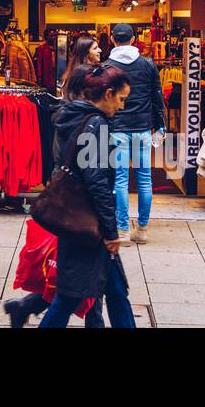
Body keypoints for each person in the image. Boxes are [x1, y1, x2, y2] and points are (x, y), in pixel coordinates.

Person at [38, 64, 136, 328]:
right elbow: (96, 183)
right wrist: (110, 229)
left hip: (82, 222)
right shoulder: (96, 125)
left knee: (116, 292)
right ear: (107, 93)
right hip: (88, 227)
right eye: (121, 99)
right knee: (69, 298)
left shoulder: (76, 117)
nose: (122, 106)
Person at [103, 23, 164, 245]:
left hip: (116, 129)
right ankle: (143, 229)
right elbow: (157, 97)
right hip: (142, 128)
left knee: (119, 180)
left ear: (112, 39)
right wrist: (160, 124)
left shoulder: (107, 67)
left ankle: (122, 230)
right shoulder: (148, 65)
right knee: (144, 179)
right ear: (134, 38)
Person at [33, 26, 59, 91]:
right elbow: (39, 63)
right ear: (47, 37)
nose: (54, 38)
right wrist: (39, 77)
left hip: (57, 76)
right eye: (52, 36)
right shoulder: (42, 48)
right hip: (46, 77)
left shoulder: (58, 47)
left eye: (55, 36)